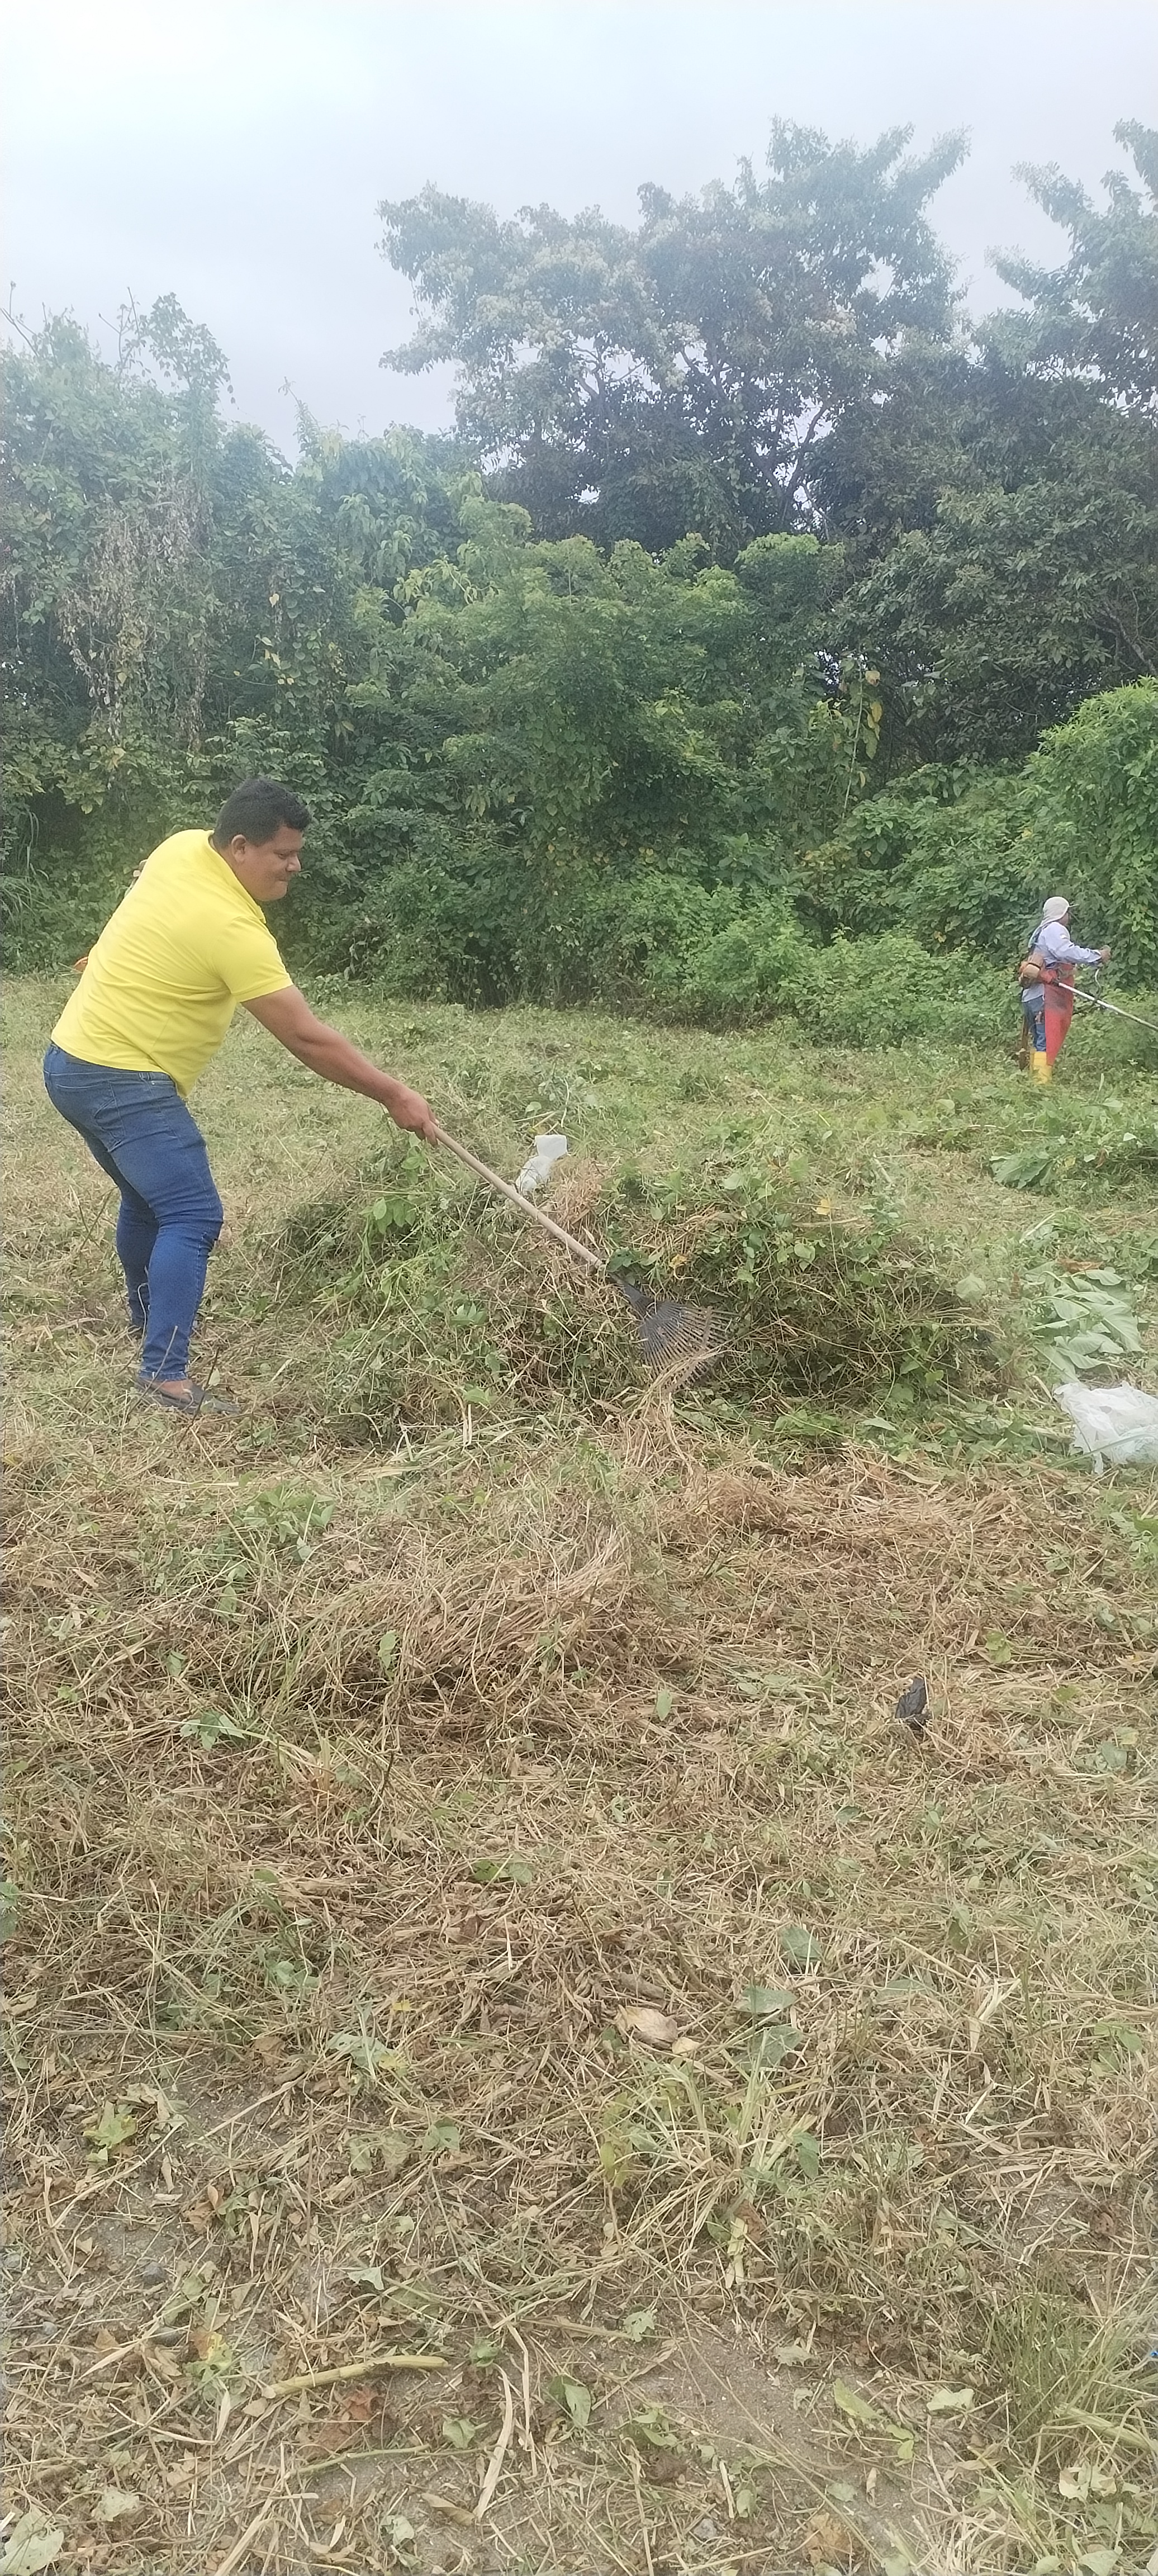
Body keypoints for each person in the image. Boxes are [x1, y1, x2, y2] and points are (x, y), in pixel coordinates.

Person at [44, 778, 438, 1415]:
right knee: (192, 1215)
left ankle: (146, 1320)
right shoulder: (231, 928)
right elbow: (305, 1038)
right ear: (238, 847)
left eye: (297, 851)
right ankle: (164, 1376)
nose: (295, 865)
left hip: (69, 1061)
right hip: (123, 1079)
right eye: (283, 853)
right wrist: (394, 1094)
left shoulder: (181, 847)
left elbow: (145, 885)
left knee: (148, 1201)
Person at [1019, 894, 1110, 1085]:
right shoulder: (1054, 929)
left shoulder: (1039, 933)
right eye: (1067, 912)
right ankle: (1041, 1086)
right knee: (1046, 1039)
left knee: (1040, 1040)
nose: (1069, 916)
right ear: (1061, 913)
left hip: (1032, 996)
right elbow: (1065, 951)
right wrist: (1096, 956)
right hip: (1045, 995)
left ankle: (1035, 1083)